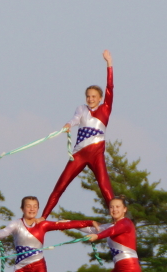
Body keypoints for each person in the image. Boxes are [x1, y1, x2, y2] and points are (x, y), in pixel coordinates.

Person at [42, 50, 115, 220]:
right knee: (61, 185)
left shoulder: (105, 109)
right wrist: (68, 125)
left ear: (100, 98)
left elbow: (110, 87)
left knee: (105, 188)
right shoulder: (82, 109)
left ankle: (116, 218)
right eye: (88, 96)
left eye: (93, 97)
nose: (90, 99)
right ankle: (43, 217)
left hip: (96, 155)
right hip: (79, 155)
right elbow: (75, 119)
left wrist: (109, 64)